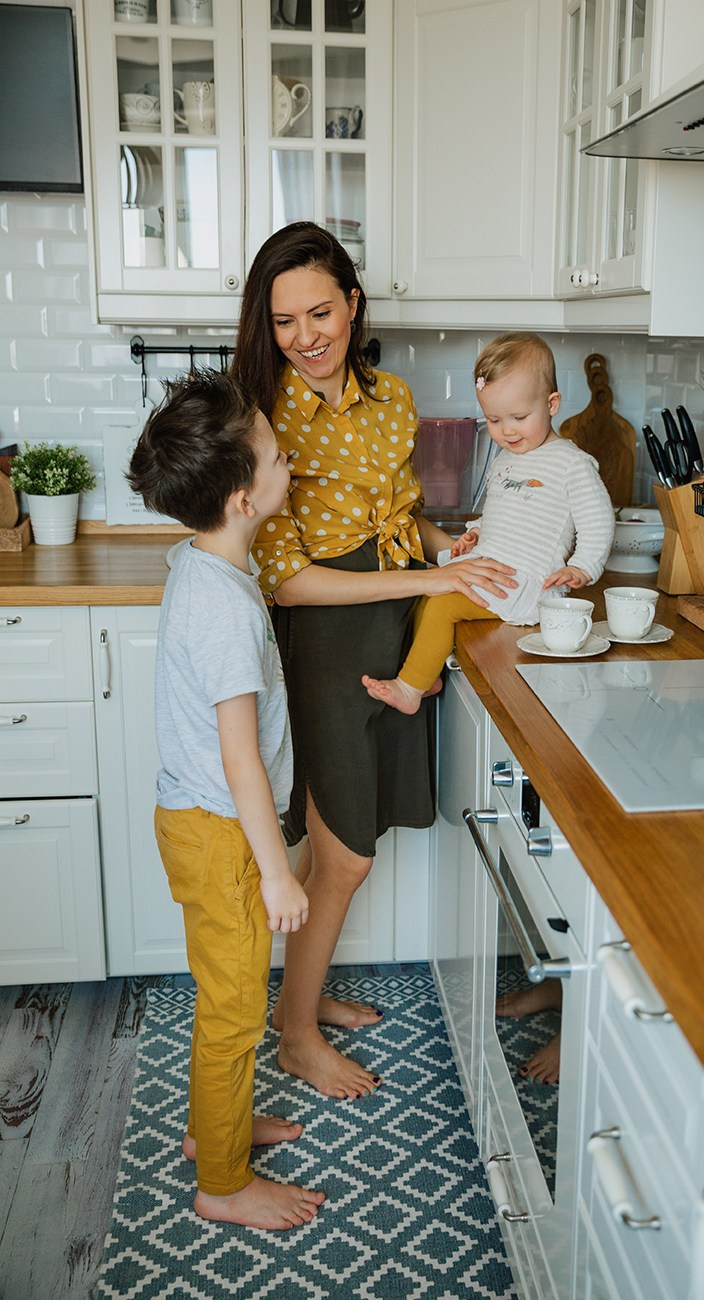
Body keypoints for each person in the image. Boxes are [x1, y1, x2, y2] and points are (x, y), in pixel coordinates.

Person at [230, 222, 517, 1101]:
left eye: (320, 311)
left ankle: (299, 1004)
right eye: (284, 321)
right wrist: (429, 573)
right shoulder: (266, 416)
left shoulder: (392, 398)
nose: (305, 336)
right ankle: (295, 1035)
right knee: (346, 853)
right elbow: (287, 581)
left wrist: (454, 548)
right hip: (322, 642)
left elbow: (397, 521)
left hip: (391, 622)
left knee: (344, 846)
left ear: (353, 305)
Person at [126, 370, 325, 1231]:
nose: (291, 464)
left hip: (199, 823)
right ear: (244, 497)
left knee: (227, 991)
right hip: (221, 832)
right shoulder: (228, 612)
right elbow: (242, 760)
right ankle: (222, 1185)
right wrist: (278, 872)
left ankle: (222, 1133)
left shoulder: (203, 561)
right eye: (280, 457)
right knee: (236, 1010)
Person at [362, 332, 616, 714]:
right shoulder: (508, 458)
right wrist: (477, 531)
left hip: (523, 581)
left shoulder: (570, 463)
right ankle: (425, 672)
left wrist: (584, 566)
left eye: (519, 417)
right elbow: (505, 508)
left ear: (552, 404)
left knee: (444, 604)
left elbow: (598, 520)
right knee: (422, 594)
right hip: (492, 566)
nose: (507, 431)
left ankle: (410, 689)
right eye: (494, 420)